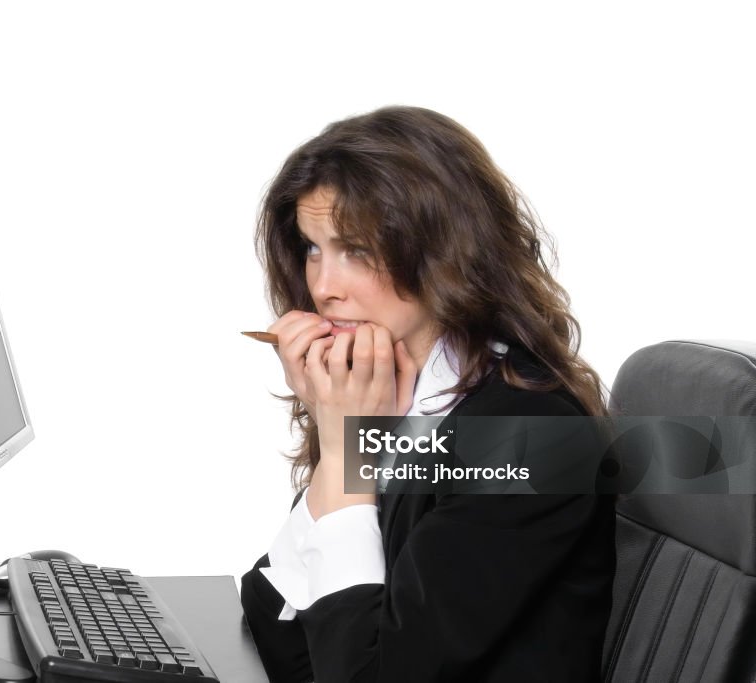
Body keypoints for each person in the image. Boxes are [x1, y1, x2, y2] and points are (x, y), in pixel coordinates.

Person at [240, 106, 615, 683]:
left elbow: (366, 674)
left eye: (355, 250)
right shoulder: (397, 404)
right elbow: (274, 618)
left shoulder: (532, 437)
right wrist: (353, 440)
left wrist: (346, 456)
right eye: (313, 248)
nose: (322, 287)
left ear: (444, 251)